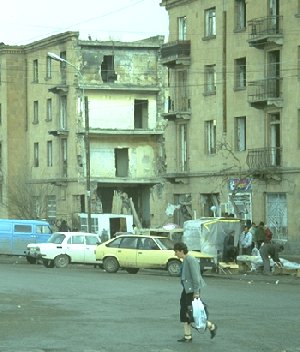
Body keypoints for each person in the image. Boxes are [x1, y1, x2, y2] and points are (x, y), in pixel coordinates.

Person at [173, 242, 217, 343]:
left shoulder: (190, 260)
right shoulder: (185, 260)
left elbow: (196, 277)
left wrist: (196, 292)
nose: (175, 254)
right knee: (185, 312)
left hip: (192, 291)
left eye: (176, 252)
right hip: (187, 290)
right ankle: (187, 336)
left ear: (181, 251)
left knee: (192, 313)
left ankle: (211, 326)